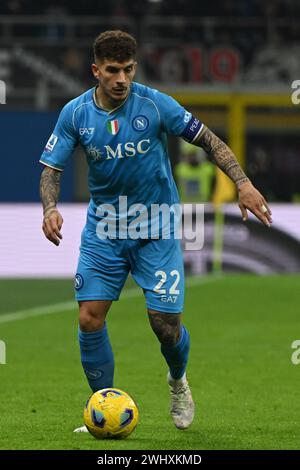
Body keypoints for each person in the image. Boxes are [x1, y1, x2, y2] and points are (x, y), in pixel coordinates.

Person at [39, 30, 272, 432]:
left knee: (165, 325)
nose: (121, 79)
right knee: (89, 318)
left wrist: (243, 182)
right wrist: (50, 208)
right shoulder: (75, 114)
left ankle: (177, 380)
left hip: (156, 228)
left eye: (128, 70)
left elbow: (209, 140)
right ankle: (103, 408)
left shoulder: (156, 104)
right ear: (96, 70)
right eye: (112, 71)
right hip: (105, 230)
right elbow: (52, 169)